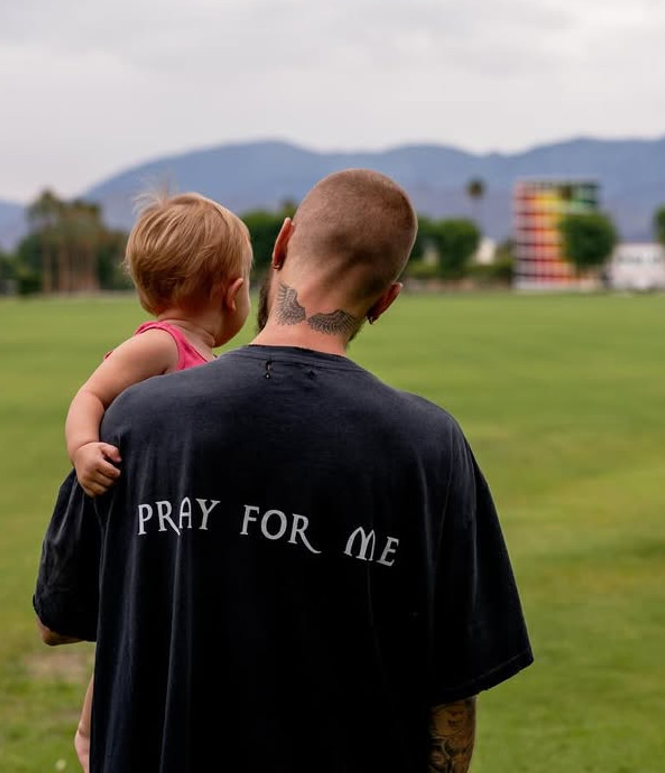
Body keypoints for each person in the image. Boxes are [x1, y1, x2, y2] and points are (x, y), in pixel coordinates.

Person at [34, 169, 533, 773]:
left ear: (283, 243)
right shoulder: (432, 445)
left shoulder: (133, 415)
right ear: (385, 301)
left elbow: (58, 621)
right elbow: (452, 694)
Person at [63, 190, 254, 769]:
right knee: (129, 639)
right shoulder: (159, 345)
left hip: (186, 525)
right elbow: (90, 394)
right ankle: (91, 734)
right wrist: (84, 448)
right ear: (232, 291)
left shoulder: (209, 360)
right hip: (151, 521)